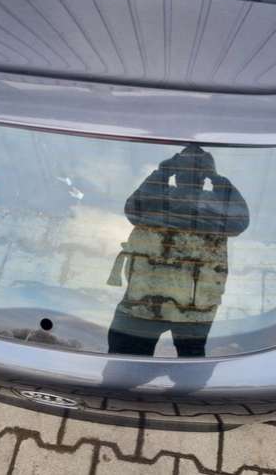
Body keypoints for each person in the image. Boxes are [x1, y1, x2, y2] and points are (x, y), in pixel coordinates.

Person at [106, 145, 249, 357]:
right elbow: (133, 210)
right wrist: (214, 178)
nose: (190, 174)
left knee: (187, 367)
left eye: (196, 169)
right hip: (148, 302)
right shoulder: (204, 206)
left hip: (187, 307)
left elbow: (239, 222)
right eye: (186, 168)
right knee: (126, 362)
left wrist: (164, 172)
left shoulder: (209, 206)